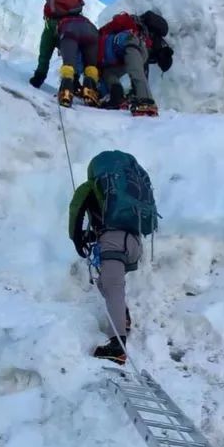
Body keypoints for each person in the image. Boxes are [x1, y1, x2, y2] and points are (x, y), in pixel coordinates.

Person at [68, 151, 158, 364]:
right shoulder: (123, 193)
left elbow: (76, 210)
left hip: (113, 241)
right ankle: (122, 317)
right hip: (134, 241)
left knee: (112, 285)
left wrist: (76, 238)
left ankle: (117, 345)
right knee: (108, 284)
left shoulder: (91, 186)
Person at [29, 0, 99, 107]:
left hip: (70, 33)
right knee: (91, 66)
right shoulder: (79, 17)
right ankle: (90, 89)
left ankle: (66, 92)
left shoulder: (50, 27)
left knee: (68, 66)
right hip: (91, 31)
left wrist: (38, 78)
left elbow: (45, 55)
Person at [97, 10, 172, 116]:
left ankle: (146, 100)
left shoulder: (96, 44)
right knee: (110, 74)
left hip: (130, 42)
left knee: (135, 70)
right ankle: (118, 97)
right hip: (130, 50)